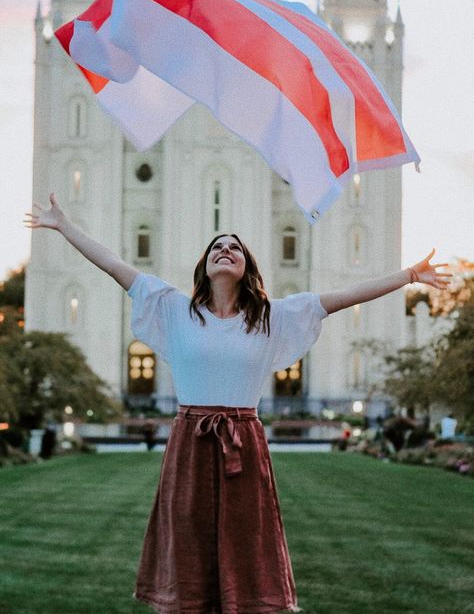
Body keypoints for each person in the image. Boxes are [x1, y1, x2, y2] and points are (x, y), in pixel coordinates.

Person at [24, 192, 452, 614]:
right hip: (190, 441)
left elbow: (346, 296)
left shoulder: (271, 316)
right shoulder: (174, 309)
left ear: (246, 266)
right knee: (186, 547)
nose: (225, 250)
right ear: (205, 266)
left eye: (234, 248)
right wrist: (64, 227)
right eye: (217, 247)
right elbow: (115, 265)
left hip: (243, 442)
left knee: (247, 541)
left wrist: (409, 275)